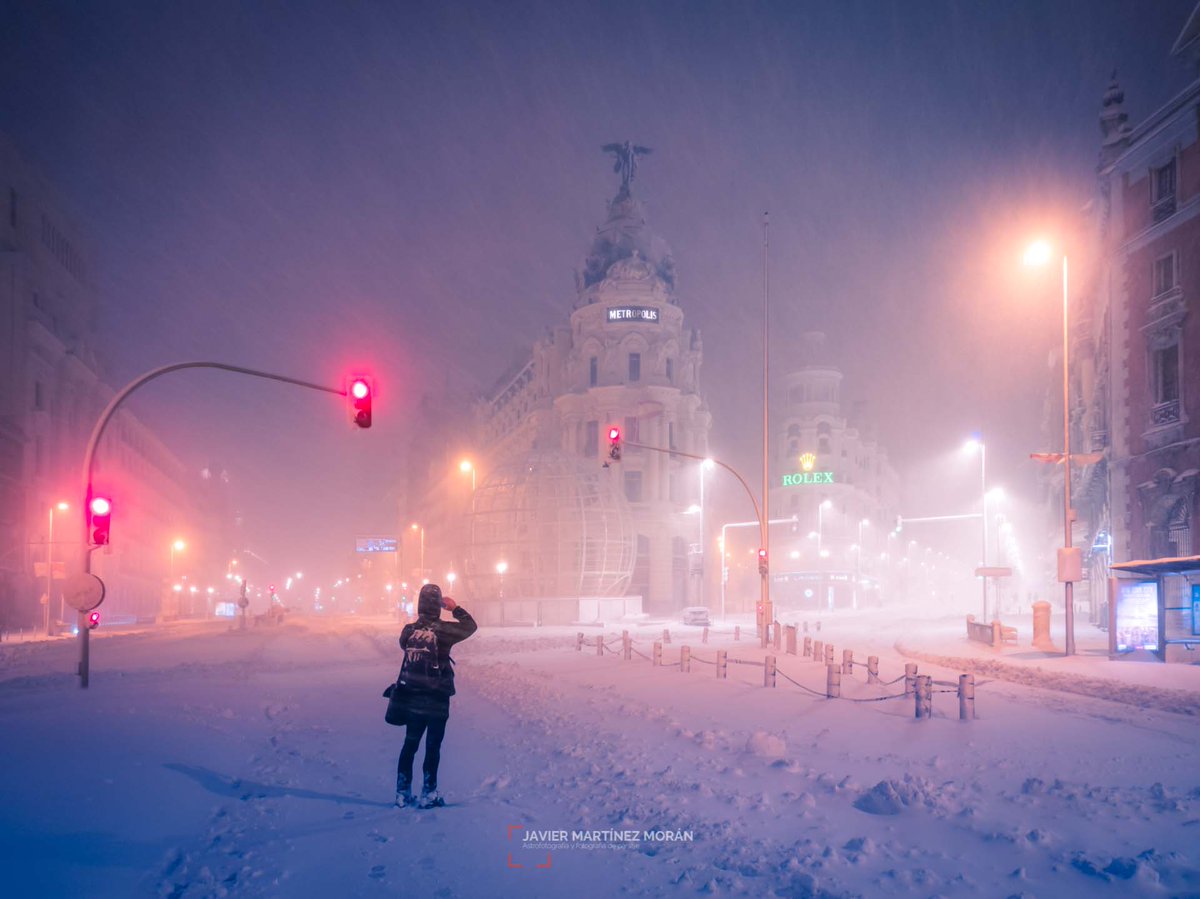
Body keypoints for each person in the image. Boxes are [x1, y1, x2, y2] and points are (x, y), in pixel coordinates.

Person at [394, 583, 477, 808]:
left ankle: (402, 793)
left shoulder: (409, 631)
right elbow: (471, 627)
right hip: (438, 699)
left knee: (409, 745)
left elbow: (404, 646)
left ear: (419, 605)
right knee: (433, 747)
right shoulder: (444, 631)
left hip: (412, 697)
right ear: (438, 605)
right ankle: (429, 794)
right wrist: (455, 607)